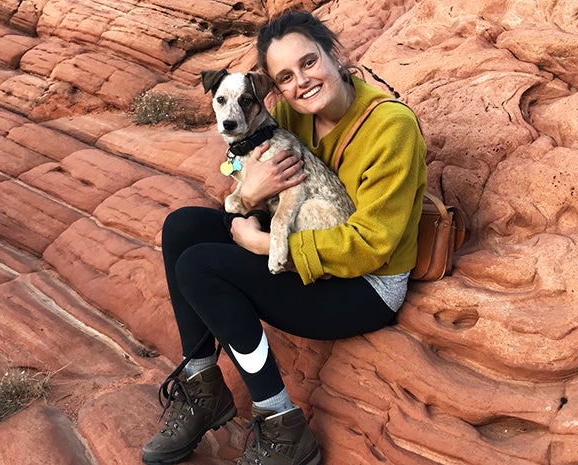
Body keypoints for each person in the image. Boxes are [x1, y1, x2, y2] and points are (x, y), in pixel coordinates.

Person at [141, 9, 427, 465]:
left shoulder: (391, 129)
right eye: (286, 77)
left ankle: (281, 426)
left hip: (366, 286)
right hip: (305, 247)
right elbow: (273, 190)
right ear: (274, 88)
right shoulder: (294, 119)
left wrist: (262, 245)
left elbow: (372, 245)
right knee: (182, 227)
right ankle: (201, 388)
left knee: (201, 268)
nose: (302, 83)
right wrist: (250, 194)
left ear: (334, 55)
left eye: (309, 63)